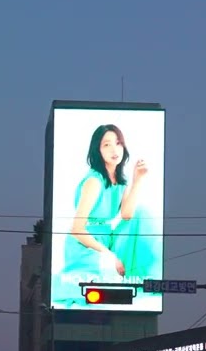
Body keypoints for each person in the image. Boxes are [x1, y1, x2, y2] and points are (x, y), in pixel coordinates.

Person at [59, 124, 158, 302]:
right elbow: (77, 229)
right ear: (97, 150)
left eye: (118, 143)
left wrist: (138, 180)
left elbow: (127, 215)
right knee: (105, 280)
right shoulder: (94, 181)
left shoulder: (121, 180)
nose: (114, 149)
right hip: (85, 244)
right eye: (107, 144)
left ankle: (148, 277)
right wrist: (111, 256)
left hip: (107, 238)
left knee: (143, 213)